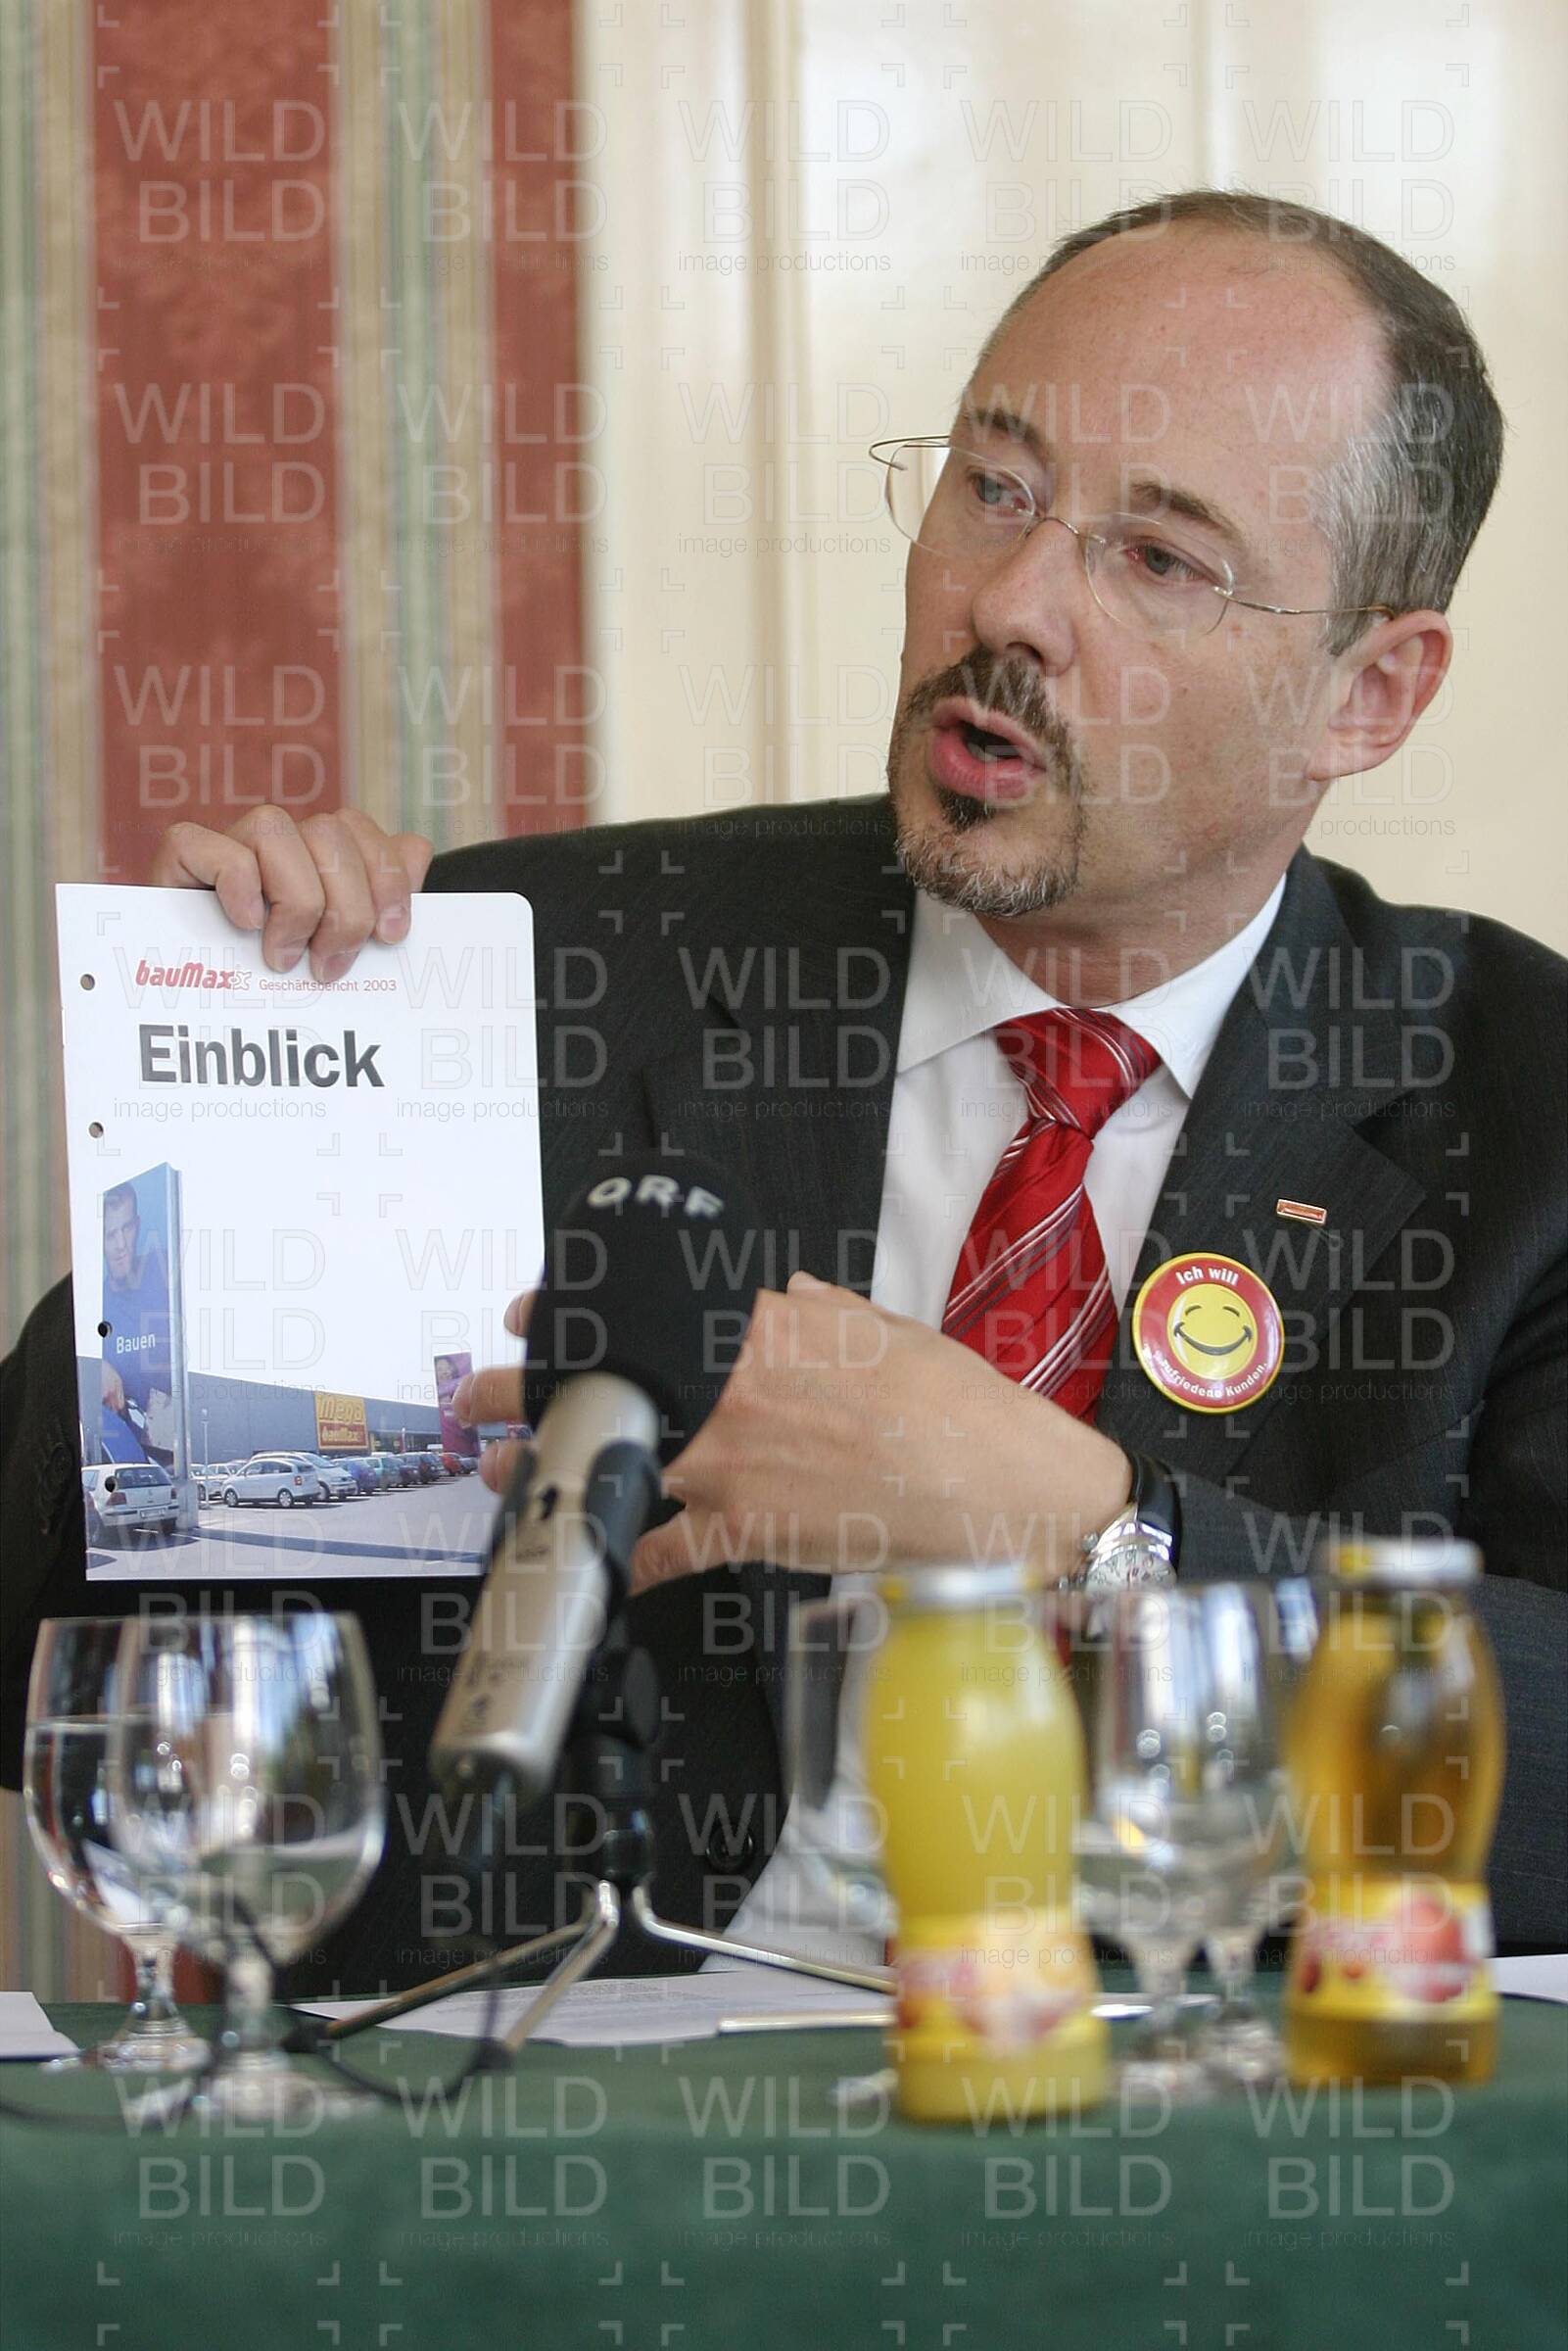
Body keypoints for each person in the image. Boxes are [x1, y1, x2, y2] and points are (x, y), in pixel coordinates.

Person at [2, 191, 1563, 1992]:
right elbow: (66, 1619)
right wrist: (244, 1148)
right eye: (994, 485)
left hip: (1221, 2127)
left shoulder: (1517, 1105)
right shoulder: (546, 973)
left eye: (1157, 558)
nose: (1007, 602)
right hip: (553, 2114)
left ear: (1368, 694)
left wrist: (1091, 1534)